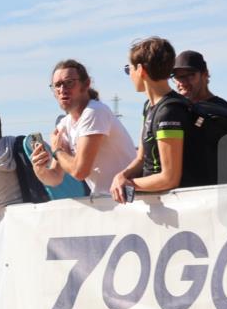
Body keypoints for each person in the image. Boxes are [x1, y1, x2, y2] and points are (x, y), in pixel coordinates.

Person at [31, 59, 136, 195]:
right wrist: (38, 167)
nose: (62, 90)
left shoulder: (95, 111)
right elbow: (55, 178)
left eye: (69, 83)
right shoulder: (64, 124)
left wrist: (57, 151)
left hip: (131, 200)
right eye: (57, 85)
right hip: (109, 200)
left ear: (86, 84)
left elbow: (80, 171)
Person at [111, 37, 194, 203]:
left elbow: (169, 178)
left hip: (176, 205)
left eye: (129, 69)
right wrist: (121, 176)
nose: (129, 75)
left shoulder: (168, 112)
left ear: (141, 70)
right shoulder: (149, 106)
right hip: (157, 204)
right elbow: (142, 158)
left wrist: (130, 184)